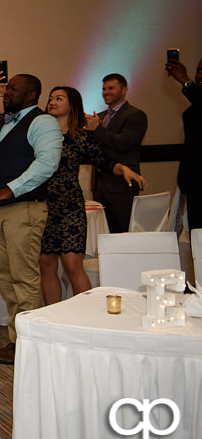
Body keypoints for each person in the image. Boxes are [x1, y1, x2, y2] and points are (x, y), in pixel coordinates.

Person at [0, 75, 62, 365]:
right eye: (6, 88)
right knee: (5, 276)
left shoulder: (43, 123)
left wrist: (11, 188)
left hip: (26, 208)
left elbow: (47, 163)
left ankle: (29, 344)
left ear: (31, 94)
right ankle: (18, 338)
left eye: (13, 89)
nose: (6, 93)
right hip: (0, 211)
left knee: (24, 277)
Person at [38, 87, 145, 305]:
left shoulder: (81, 137)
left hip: (70, 207)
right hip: (42, 207)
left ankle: (85, 315)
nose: (52, 102)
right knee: (46, 265)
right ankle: (55, 317)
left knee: (72, 265)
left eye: (59, 98)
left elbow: (104, 162)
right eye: (50, 98)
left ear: (72, 105)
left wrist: (123, 169)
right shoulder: (39, 136)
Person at [85, 73, 148, 233]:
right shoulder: (99, 117)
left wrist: (97, 129)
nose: (106, 92)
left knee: (123, 231)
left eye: (111, 88)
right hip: (100, 184)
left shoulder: (135, 115)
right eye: (104, 88)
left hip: (122, 184)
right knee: (104, 233)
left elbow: (124, 143)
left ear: (124, 90)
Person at [165, 55, 202, 232]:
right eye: (198, 71)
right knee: (197, 235)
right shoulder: (195, 105)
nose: (199, 76)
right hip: (194, 182)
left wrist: (186, 81)